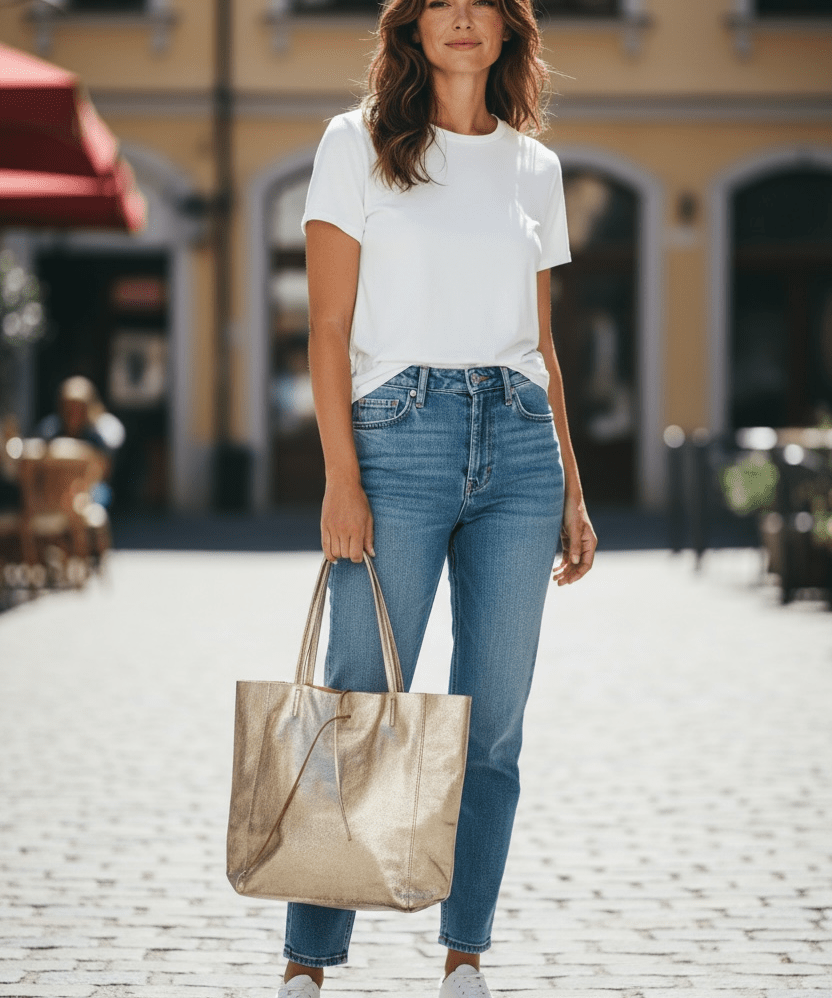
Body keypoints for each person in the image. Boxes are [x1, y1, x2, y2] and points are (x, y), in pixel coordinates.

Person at [280, 0, 598, 994]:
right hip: (396, 438)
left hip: (518, 441)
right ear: (412, 28)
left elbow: (541, 346)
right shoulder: (355, 144)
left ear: (508, 30)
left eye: (482, 5)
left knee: (493, 721)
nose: (462, 19)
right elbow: (326, 326)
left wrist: (573, 492)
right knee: (358, 704)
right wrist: (341, 477)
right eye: (440, 4)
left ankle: (464, 953)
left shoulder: (534, 168)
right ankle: (309, 960)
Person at [34, 376, 125, 508]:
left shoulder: (97, 436)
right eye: (69, 406)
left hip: (88, 488)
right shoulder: (49, 431)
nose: (73, 411)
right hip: (55, 485)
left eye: (79, 406)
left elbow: (103, 470)